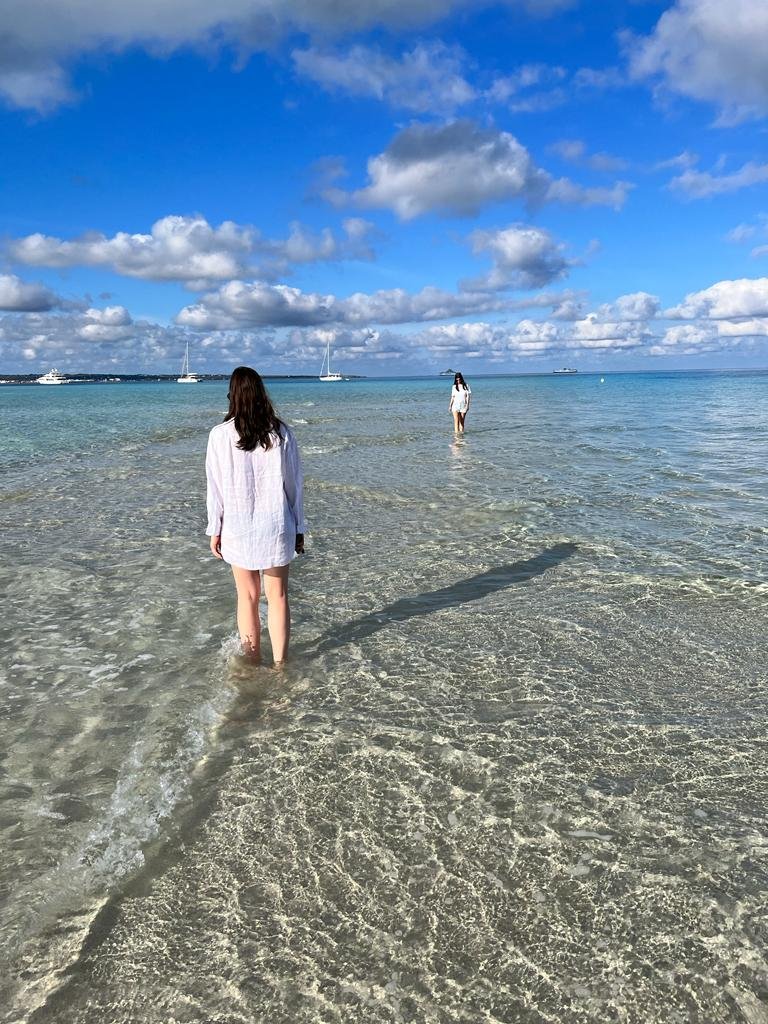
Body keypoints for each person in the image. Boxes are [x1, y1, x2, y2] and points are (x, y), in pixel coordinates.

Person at [205, 366, 305, 666]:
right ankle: (280, 666)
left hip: (238, 526)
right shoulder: (281, 433)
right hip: (276, 524)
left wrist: (215, 528)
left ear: (232, 396)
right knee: (278, 597)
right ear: (262, 394)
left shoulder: (220, 435)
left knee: (247, 597)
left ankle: (252, 663)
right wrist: (299, 526)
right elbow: (294, 485)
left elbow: (216, 488)